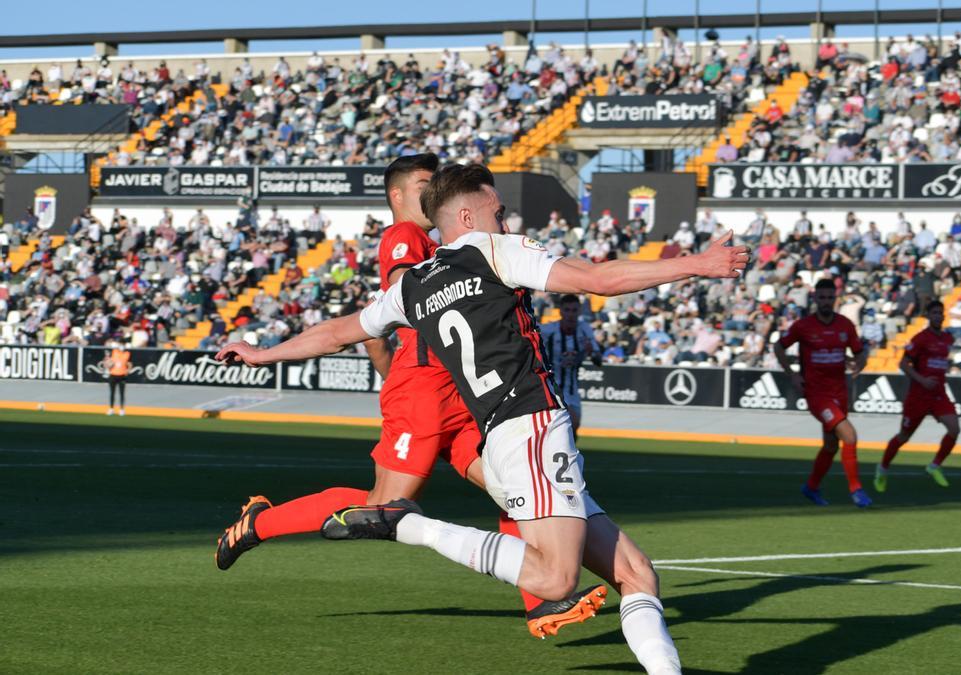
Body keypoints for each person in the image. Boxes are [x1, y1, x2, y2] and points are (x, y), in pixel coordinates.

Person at [217, 164, 749, 675]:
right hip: (532, 426)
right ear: (469, 218)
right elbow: (596, 279)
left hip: (500, 433)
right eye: (498, 210)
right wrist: (695, 264)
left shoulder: (414, 285)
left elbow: (338, 332)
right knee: (555, 577)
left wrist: (263, 352)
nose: (507, 221)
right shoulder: (492, 251)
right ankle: (409, 525)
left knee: (636, 574)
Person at [212, 155, 590, 639]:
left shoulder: (441, 244)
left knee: (509, 485)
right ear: (397, 195)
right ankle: (259, 523)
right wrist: (397, 378)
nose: (432, 193)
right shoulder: (404, 238)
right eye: (422, 185)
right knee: (382, 506)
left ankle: (541, 601)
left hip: (462, 389)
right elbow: (395, 304)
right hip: (423, 391)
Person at [772, 278, 872, 508]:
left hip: (840, 392)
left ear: (835, 299)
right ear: (815, 298)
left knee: (831, 446)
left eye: (830, 297)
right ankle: (856, 490)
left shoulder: (845, 325)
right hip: (817, 395)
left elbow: (859, 353)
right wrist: (793, 374)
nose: (826, 301)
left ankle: (811, 487)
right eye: (822, 297)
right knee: (850, 436)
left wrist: (859, 363)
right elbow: (779, 347)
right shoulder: (803, 326)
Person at [875, 301, 960, 492]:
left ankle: (934, 466)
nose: (938, 316)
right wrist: (922, 380)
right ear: (928, 316)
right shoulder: (920, 338)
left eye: (940, 312)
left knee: (954, 428)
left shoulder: (947, 338)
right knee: (904, 437)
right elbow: (903, 364)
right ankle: (882, 468)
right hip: (918, 395)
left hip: (938, 394)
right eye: (934, 313)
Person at [541, 294, 600, 432]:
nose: (570, 314)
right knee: (564, 427)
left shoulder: (584, 329)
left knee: (573, 428)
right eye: (567, 310)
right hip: (552, 388)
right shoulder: (548, 330)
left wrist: (591, 352)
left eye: (574, 310)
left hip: (572, 390)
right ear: (560, 311)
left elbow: (598, 361)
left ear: (579, 311)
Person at [102, 340, 131, 416]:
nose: (121, 346)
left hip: (122, 375)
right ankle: (111, 409)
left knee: (122, 393)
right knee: (112, 393)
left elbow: (130, 363)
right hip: (113, 375)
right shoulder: (114, 351)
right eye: (120, 344)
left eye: (123, 344)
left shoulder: (127, 353)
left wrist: (128, 370)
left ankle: (121, 409)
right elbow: (106, 360)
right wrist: (107, 364)